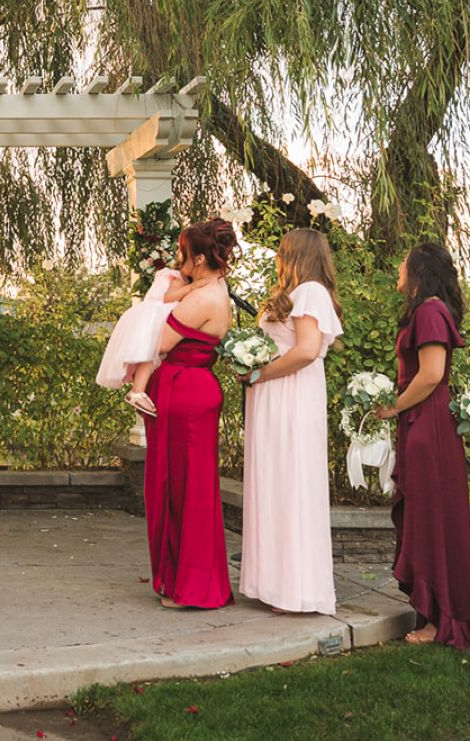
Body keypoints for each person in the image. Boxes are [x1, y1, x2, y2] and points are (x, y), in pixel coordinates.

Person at [373, 243, 470, 649]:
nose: (398, 268)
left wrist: (393, 407)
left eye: (403, 263)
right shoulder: (428, 310)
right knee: (427, 517)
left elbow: (431, 374)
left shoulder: (429, 311)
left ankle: (441, 620)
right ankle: (435, 612)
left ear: (419, 270)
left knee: (431, 519)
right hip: (421, 422)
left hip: (428, 424)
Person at [240, 229, 341, 616]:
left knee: (292, 482)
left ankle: (298, 588)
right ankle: (274, 583)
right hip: (274, 395)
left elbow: (307, 350)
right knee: (274, 483)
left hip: (292, 394)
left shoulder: (311, 292)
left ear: (294, 255)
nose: (277, 259)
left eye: (281, 253)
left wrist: (259, 373)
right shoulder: (296, 294)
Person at [142, 218, 237, 610]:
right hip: (191, 390)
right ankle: (189, 580)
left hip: (184, 393)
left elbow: (158, 341)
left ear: (199, 258)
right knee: (190, 488)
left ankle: (191, 585)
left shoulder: (202, 299)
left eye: (183, 254)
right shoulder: (218, 289)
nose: (180, 261)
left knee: (184, 490)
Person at [95, 267, 196, 417]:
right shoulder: (177, 278)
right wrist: (191, 288)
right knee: (149, 354)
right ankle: (137, 392)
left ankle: (139, 389)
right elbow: (169, 297)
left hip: (147, 314)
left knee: (146, 356)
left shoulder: (171, 275)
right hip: (153, 316)